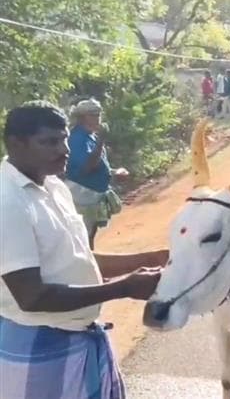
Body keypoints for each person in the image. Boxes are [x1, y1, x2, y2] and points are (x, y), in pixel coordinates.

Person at [1, 101, 168, 399]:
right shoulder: (8, 201)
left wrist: (149, 258)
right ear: (16, 144)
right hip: (39, 346)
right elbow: (31, 296)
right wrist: (123, 288)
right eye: (50, 142)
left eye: (63, 139)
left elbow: (79, 259)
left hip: (78, 340)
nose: (64, 149)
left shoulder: (54, 186)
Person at [65, 99, 128, 251]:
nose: (97, 117)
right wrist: (101, 141)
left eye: (98, 114)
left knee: (90, 234)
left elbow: (97, 164)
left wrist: (113, 172)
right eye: (92, 114)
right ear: (81, 117)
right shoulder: (77, 138)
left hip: (91, 196)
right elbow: (87, 167)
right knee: (83, 237)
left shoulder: (90, 137)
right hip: (81, 196)